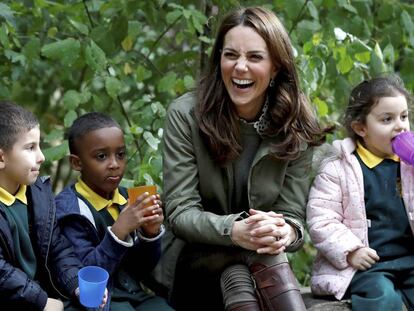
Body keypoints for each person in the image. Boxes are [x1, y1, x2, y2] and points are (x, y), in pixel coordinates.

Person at [157, 6, 330, 311]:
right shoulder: (186, 115)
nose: (240, 67)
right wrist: (236, 231)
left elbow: (291, 214)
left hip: (256, 265)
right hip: (193, 262)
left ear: (276, 66)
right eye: (230, 55)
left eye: (254, 57)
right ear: (219, 59)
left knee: (241, 279)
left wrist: (284, 231)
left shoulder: (296, 122)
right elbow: (181, 213)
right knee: (257, 258)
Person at [307, 75, 414, 311]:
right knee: (382, 298)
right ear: (361, 128)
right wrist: (351, 251)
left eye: (404, 116)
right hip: (366, 266)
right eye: (387, 119)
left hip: (410, 259)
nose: (400, 125)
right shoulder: (338, 169)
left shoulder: (410, 166)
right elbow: (321, 219)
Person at [55, 112, 174, 311]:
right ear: (77, 163)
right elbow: (84, 277)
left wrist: (149, 234)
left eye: (120, 154)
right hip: (100, 302)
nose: (114, 164)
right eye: (101, 156)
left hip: (134, 295)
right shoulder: (69, 210)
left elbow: (140, 270)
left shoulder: (128, 198)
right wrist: (119, 231)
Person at [0, 101, 86, 310]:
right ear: (1, 157)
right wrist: (42, 302)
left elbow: (57, 248)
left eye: (39, 146)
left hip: (47, 297)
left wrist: (76, 284)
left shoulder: (38, 194)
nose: (42, 157)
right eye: (30, 148)